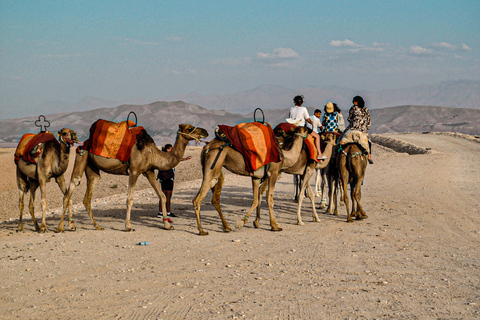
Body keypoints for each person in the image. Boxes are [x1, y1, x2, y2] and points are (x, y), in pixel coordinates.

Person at [157, 144, 192, 220]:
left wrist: (185, 159)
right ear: (167, 149)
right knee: (168, 196)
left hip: (163, 178)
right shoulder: (169, 156)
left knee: (163, 195)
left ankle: (160, 212)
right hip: (169, 178)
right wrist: (185, 159)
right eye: (170, 149)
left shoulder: (162, 156)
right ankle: (168, 212)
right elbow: (177, 160)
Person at [288, 95, 327, 160]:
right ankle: (320, 154)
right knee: (317, 136)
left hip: (293, 127)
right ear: (302, 103)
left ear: (294, 102)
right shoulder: (303, 109)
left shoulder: (291, 109)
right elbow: (308, 119)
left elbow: (290, 118)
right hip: (302, 128)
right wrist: (311, 122)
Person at [342, 96, 373, 164]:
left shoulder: (353, 108)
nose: (353, 102)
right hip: (363, 130)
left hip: (353, 128)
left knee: (342, 137)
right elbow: (369, 121)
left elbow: (349, 119)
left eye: (354, 101)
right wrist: (366, 127)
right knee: (368, 141)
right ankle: (369, 156)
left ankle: (338, 153)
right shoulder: (366, 109)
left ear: (357, 102)